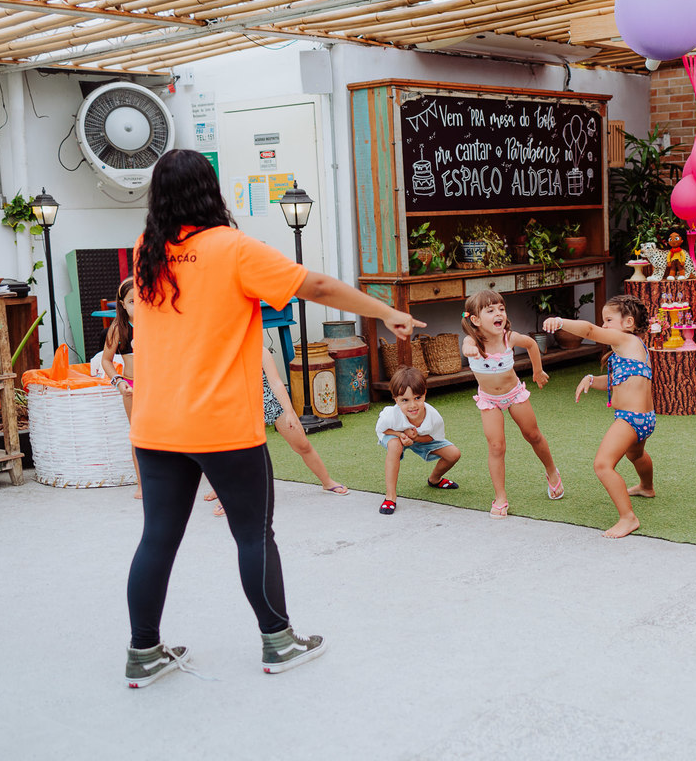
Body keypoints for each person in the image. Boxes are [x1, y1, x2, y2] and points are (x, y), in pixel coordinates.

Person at [124, 149, 423, 689]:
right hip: (219, 425)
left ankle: (143, 653)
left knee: (157, 538)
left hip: (155, 424)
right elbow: (321, 289)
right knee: (253, 536)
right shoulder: (233, 248)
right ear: (208, 191)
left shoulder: (148, 250)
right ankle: (279, 641)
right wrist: (387, 311)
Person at [545, 294, 655, 539]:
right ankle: (647, 487)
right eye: (603, 321)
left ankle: (628, 518)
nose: (604, 326)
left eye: (608, 320)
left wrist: (559, 322)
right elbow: (621, 380)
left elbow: (587, 330)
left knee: (603, 465)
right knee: (636, 454)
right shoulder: (627, 350)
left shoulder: (626, 339)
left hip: (629, 418)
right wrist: (593, 379)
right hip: (645, 418)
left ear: (628, 323)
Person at [207, 346, 350, 518]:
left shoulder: (259, 349)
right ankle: (225, 494)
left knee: (302, 444)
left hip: (268, 399)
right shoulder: (217, 349)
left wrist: (289, 412)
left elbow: (275, 382)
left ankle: (327, 482)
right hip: (237, 405)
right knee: (232, 453)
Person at [461, 288, 560, 518]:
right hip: (489, 400)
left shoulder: (509, 337)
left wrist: (537, 371)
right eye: (491, 310)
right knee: (496, 446)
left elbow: (531, 345)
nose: (499, 314)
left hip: (514, 394)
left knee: (533, 435)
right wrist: (471, 350)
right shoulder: (471, 340)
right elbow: (467, 346)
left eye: (501, 309)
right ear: (475, 320)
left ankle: (552, 471)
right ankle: (500, 497)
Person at [375, 366, 461, 515]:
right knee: (395, 446)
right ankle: (390, 497)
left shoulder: (434, 416)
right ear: (396, 399)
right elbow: (382, 430)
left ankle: (434, 480)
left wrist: (415, 438)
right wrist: (400, 435)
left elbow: (434, 437)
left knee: (454, 454)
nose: (413, 405)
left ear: (424, 394)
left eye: (417, 398)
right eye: (405, 400)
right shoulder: (390, 415)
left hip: (420, 438)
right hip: (396, 436)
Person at [102, 277, 141, 499]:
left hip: (157, 387)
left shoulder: (157, 324)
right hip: (131, 387)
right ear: (123, 304)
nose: (139, 305)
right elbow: (106, 360)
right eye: (133, 301)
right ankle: (142, 484)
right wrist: (118, 381)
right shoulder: (119, 328)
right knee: (139, 436)